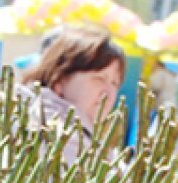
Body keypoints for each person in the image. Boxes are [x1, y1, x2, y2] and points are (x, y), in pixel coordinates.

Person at [18, 27, 126, 164]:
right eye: (99, 78)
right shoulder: (54, 135)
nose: (109, 93)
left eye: (115, 83)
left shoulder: (85, 135)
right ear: (60, 79)